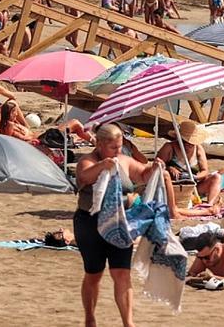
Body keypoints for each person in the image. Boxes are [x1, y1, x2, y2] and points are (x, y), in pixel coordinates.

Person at [74, 123, 161, 327]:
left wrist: (154, 168)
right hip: (90, 223)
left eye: (120, 146)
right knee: (94, 274)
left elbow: (142, 175)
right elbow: (84, 177)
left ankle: (128, 323)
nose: (118, 150)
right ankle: (90, 318)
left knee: (121, 273)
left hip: (119, 223)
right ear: (99, 144)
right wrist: (102, 166)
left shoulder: (123, 160)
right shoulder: (87, 160)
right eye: (113, 147)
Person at [156, 120, 222, 213]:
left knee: (217, 177)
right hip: (174, 187)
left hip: (194, 186)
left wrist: (194, 177)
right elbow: (156, 165)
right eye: (186, 142)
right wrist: (169, 168)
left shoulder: (198, 148)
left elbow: (205, 171)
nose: (189, 145)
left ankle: (209, 205)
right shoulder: (169, 147)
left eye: (192, 143)